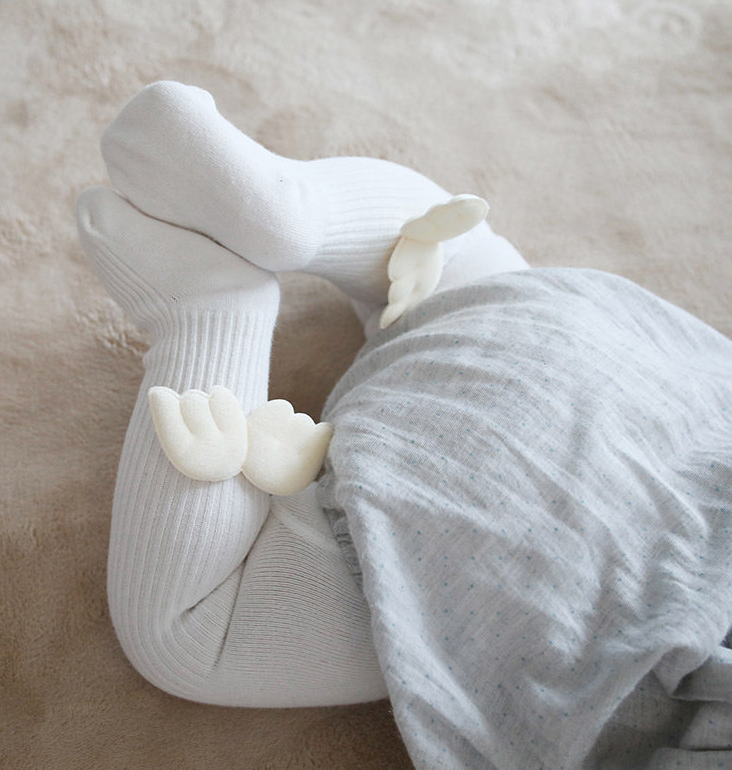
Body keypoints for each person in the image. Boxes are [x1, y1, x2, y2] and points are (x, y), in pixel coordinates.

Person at [77, 82, 732, 769]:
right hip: (522, 577)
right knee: (191, 632)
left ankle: (298, 212)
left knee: (456, 259)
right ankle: (210, 309)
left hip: (629, 375)